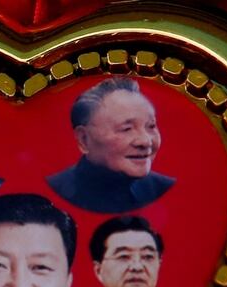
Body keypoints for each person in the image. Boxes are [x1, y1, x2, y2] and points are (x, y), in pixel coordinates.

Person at [46, 78, 175, 213]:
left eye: (151, 126)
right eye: (127, 129)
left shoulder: (163, 188)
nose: (145, 141)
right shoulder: (55, 191)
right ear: (84, 139)